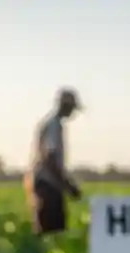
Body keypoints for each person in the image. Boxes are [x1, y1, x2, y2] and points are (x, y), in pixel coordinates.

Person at [26, 88, 84, 235]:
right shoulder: (54, 125)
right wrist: (67, 184)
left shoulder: (52, 123)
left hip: (46, 182)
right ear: (65, 106)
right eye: (71, 108)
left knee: (49, 228)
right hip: (48, 184)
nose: (72, 112)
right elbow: (49, 157)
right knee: (52, 230)